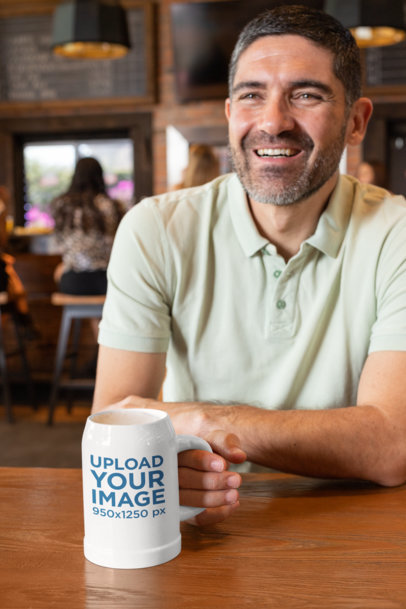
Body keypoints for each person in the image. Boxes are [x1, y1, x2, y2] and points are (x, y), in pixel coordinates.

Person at [92, 5, 406, 527]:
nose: (273, 122)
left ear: (356, 122)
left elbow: (392, 443)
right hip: (201, 524)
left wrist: (202, 421)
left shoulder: (397, 232)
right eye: (251, 95)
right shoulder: (156, 229)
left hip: (358, 527)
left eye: (305, 94)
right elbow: (112, 427)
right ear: (229, 113)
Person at [51, 157, 126, 295]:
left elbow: (58, 245)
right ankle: (98, 317)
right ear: (99, 177)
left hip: (73, 283)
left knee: (60, 270)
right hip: (107, 281)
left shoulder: (61, 205)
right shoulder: (112, 206)